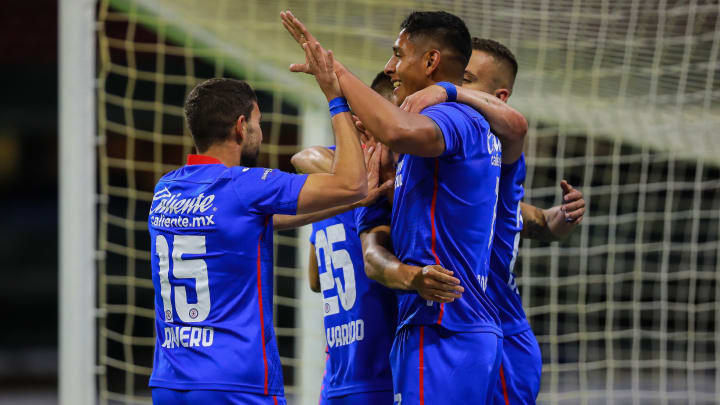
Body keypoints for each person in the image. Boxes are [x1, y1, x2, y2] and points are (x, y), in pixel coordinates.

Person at [282, 10, 504, 404]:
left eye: (398, 55)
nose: (390, 67)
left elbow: (397, 129)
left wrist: (335, 77)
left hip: (444, 324)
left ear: (431, 61)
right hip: (443, 324)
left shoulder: (452, 116)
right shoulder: (412, 157)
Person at [147, 41, 369, 405]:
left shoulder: (166, 189)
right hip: (235, 384)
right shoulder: (245, 186)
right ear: (240, 127)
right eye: (258, 123)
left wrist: (354, 200)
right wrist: (335, 96)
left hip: (171, 383)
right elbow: (351, 182)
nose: (261, 134)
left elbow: (269, 219)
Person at [378, 37, 586, 404]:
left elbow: (516, 135)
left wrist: (446, 91)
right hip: (459, 328)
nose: (454, 85)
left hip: (494, 332)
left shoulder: (497, 150)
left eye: (466, 79)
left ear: (499, 98)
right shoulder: (451, 154)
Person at [291, 72, 398, 405]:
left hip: (338, 373)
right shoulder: (388, 189)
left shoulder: (331, 190)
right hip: (383, 373)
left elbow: (314, 279)